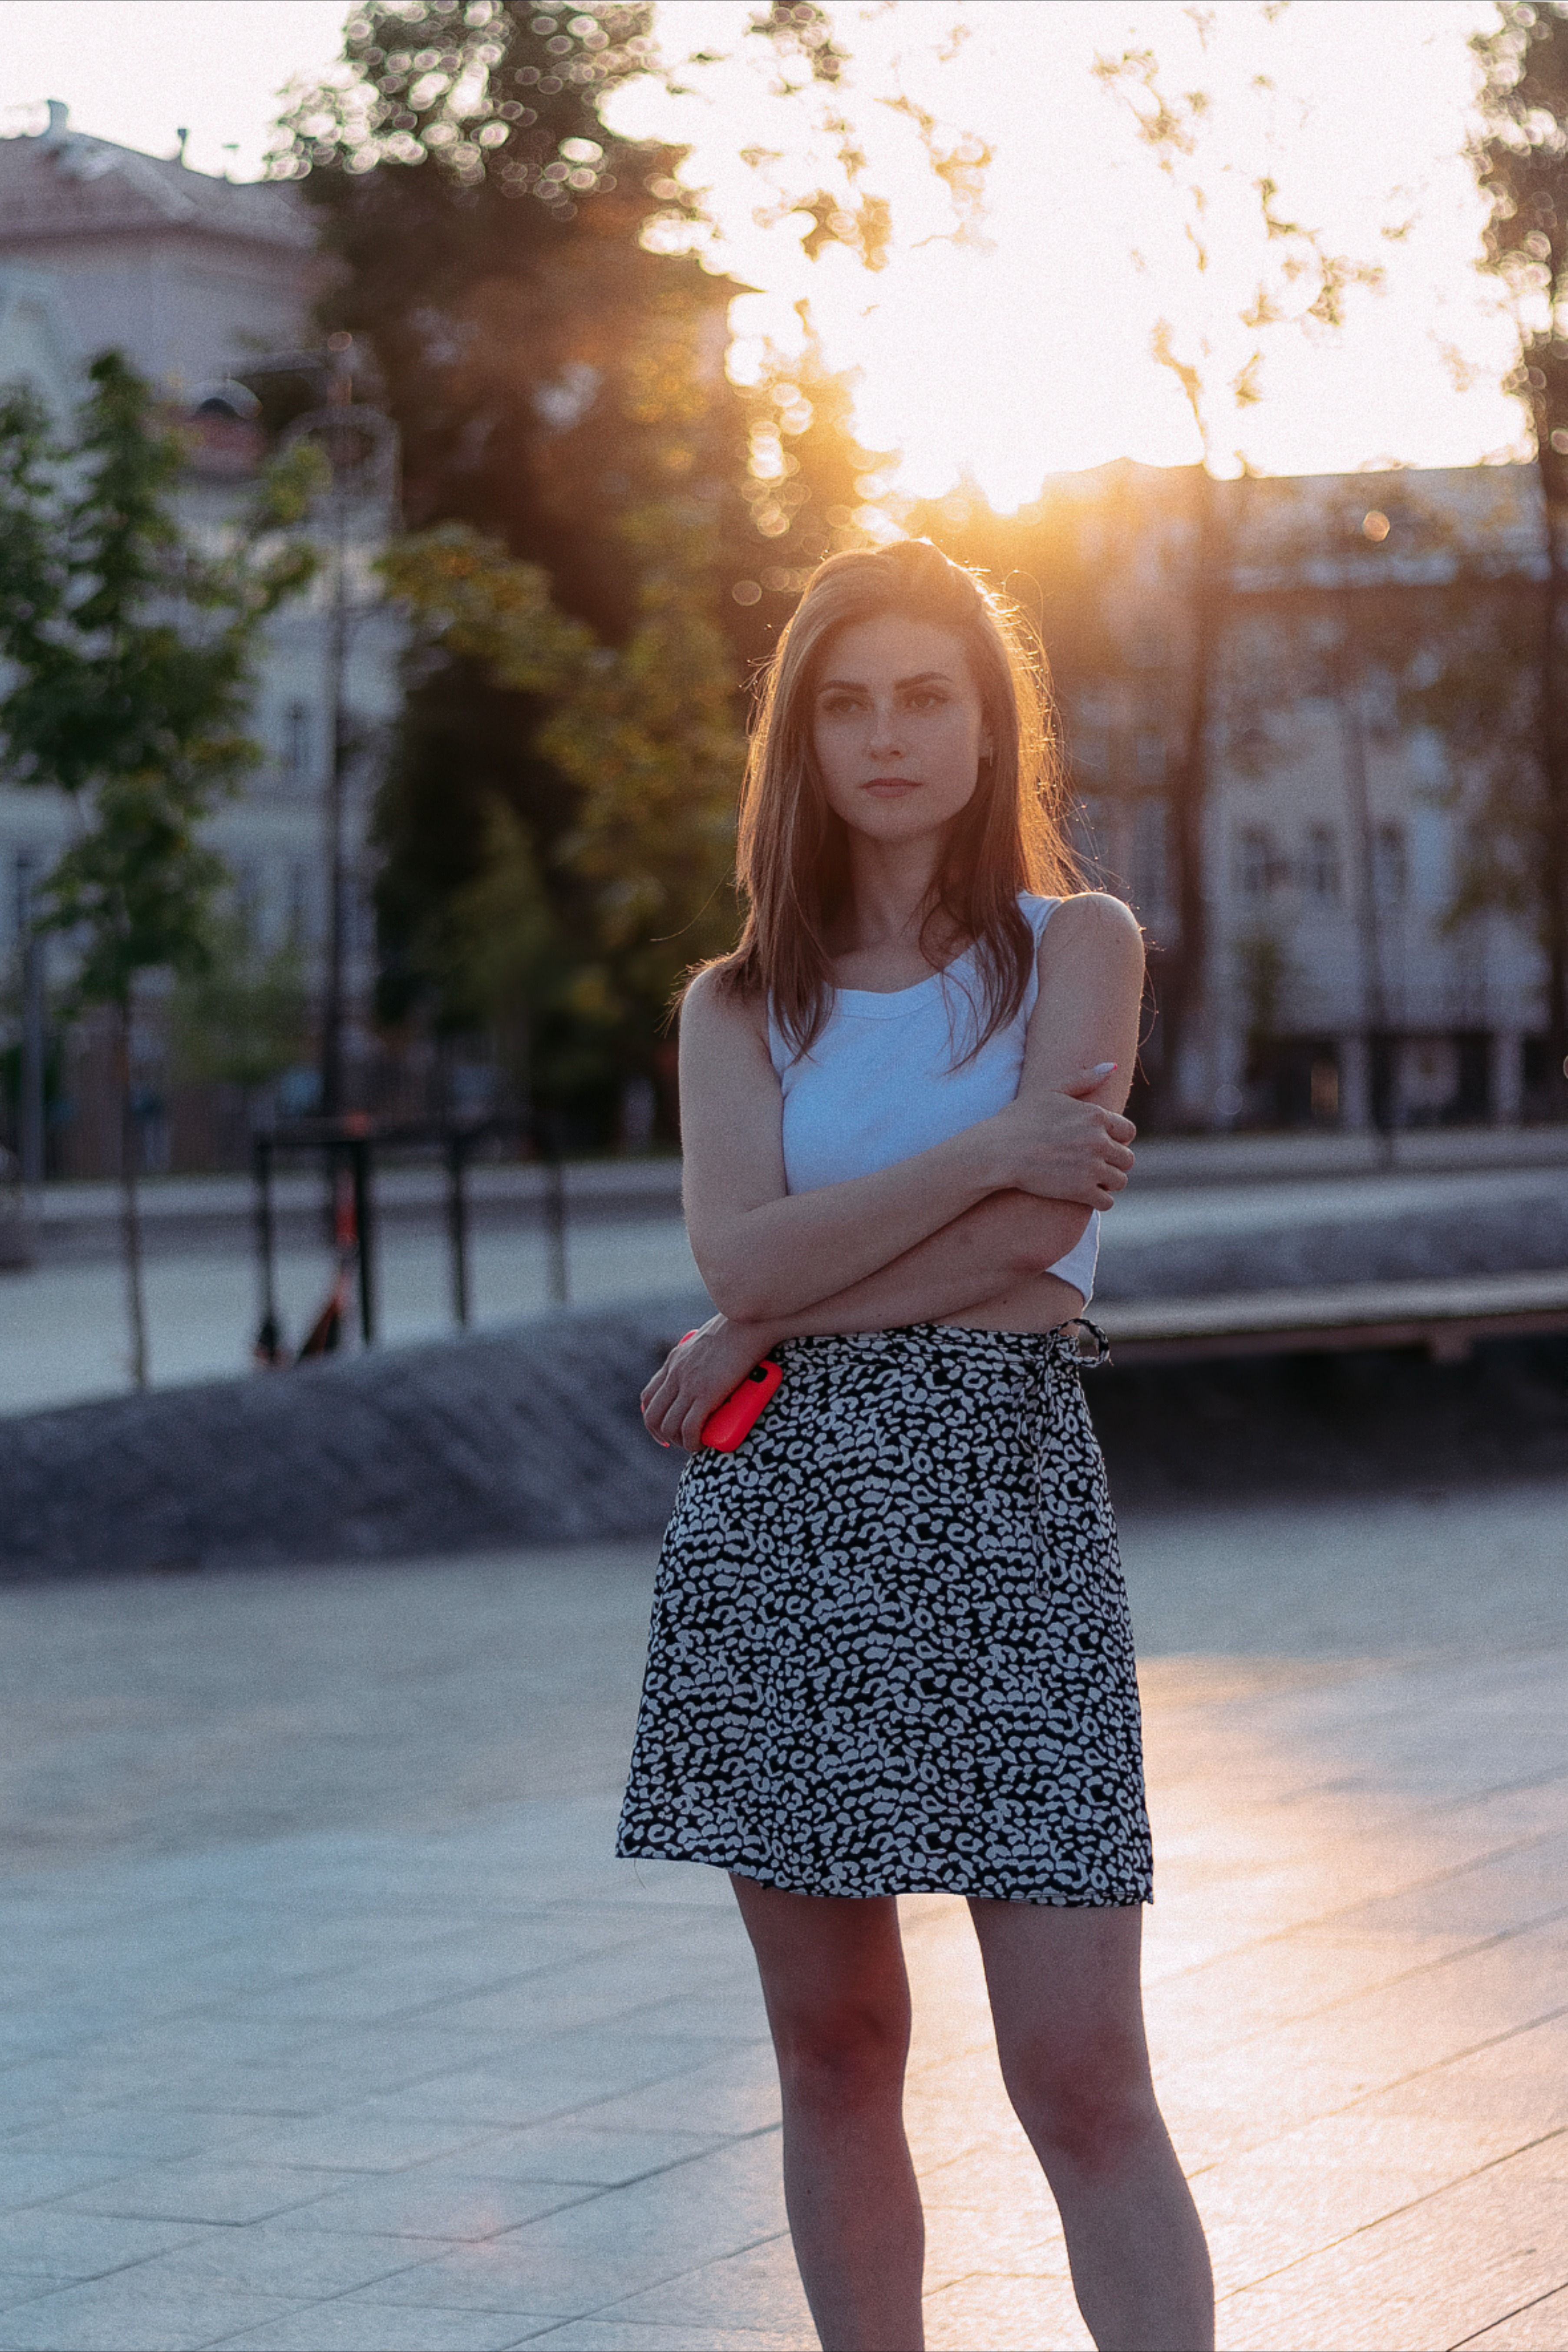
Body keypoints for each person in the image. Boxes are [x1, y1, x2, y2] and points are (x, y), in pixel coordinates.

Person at [619, 538, 1213, 2352]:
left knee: (1081, 2064)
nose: (889, 737)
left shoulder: (1078, 945)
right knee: (837, 2046)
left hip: (1004, 1510)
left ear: (986, 722)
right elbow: (749, 1248)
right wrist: (981, 1156)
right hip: (784, 1524)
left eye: (926, 698)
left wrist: (776, 1308)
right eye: (848, 704)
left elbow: (1045, 1257)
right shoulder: (737, 1005)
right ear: (802, 742)